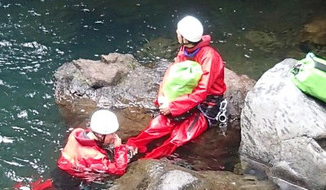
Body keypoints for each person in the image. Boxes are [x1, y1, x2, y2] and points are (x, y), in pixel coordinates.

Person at [127, 15, 227, 160]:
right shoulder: (186, 50)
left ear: (185, 38)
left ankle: (146, 160)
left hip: (207, 103)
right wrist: (162, 97)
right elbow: (172, 73)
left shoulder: (209, 57)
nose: (176, 33)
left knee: (179, 137)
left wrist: (173, 106)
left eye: (179, 32)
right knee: (157, 126)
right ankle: (133, 146)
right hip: (184, 93)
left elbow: (202, 91)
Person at [56, 109, 135, 181]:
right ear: (100, 135)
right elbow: (119, 170)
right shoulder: (94, 155)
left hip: (61, 168)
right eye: (111, 134)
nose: (114, 136)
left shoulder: (77, 132)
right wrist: (119, 148)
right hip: (73, 179)